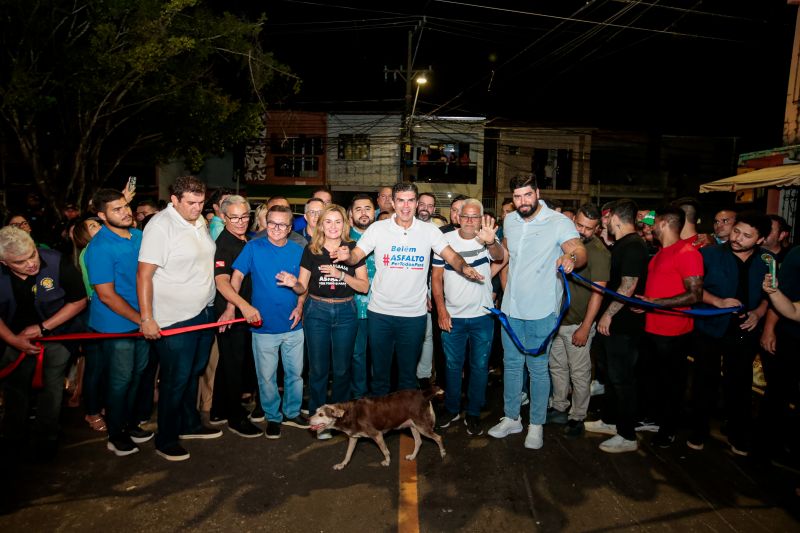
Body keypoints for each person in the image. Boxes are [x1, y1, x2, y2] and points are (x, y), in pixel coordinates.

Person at [336, 183, 485, 397]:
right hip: (380, 314)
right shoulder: (378, 229)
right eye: (401, 200)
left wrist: (464, 267)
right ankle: (382, 426)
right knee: (380, 375)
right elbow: (356, 255)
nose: (406, 206)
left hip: (413, 316)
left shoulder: (429, 230)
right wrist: (346, 257)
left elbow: (450, 255)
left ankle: (405, 424)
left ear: (416, 203)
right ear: (393, 203)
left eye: (410, 200)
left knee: (407, 376)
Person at [488, 175, 587, 450]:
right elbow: (503, 255)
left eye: (527, 195)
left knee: (538, 369)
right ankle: (511, 418)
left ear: (537, 193)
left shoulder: (558, 222)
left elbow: (578, 250)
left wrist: (571, 258)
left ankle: (536, 424)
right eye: (518, 197)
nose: (523, 202)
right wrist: (491, 244)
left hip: (542, 310)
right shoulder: (510, 220)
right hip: (511, 309)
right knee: (511, 365)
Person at [137, 176, 220, 462]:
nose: (197, 208)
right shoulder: (160, 226)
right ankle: (166, 437)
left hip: (203, 312)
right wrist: (147, 318)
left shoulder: (199, 221)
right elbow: (144, 275)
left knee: (194, 370)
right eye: (191, 203)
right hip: (175, 319)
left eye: (201, 202)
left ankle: (190, 424)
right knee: (175, 378)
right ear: (174, 199)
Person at [0, 226, 87, 459]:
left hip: (57, 335)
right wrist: (13, 340)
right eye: (20, 261)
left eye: (32, 254)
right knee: (14, 389)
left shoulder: (56, 261)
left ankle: (46, 439)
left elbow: (78, 301)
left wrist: (43, 327)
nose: (31, 264)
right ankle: (12, 436)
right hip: (13, 337)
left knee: (52, 388)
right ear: (4, 262)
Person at [688, 212, 771, 455]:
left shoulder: (768, 261)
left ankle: (737, 435)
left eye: (747, 236)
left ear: (760, 239)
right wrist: (718, 301)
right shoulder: (709, 254)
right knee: (705, 381)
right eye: (736, 231)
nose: (737, 238)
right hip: (710, 327)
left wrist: (758, 312)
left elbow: (771, 296)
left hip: (746, 330)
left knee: (740, 384)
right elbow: (693, 289)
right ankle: (698, 431)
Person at [84, 189, 153, 456]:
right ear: (101, 216)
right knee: (120, 380)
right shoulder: (99, 247)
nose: (125, 212)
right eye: (116, 209)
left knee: (138, 374)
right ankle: (116, 434)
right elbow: (106, 295)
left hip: (142, 319)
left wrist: (146, 317)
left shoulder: (138, 235)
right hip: (116, 325)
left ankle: (130, 423)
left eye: (125, 206)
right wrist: (142, 319)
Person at [230, 205, 308, 439]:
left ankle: (292, 412)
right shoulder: (253, 247)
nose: (276, 228)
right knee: (266, 377)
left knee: (295, 374)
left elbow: (303, 287)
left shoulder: (298, 250)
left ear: (289, 228)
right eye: (272, 223)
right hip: (262, 326)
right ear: (266, 223)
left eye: (282, 225)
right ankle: (273, 417)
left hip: (293, 325)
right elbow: (236, 276)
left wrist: (295, 288)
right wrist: (234, 306)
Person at [432, 199, 505, 436]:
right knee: (453, 366)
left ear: (482, 218)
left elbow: (500, 257)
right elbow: (436, 278)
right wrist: (441, 311)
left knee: (480, 366)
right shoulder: (445, 241)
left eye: (475, 216)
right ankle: (452, 409)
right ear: (458, 217)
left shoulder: (486, 238)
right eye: (466, 216)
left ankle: (473, 412)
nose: (470, 221)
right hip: (453, 317)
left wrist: (490, 241)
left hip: (482, 316)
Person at [298, 205, 368, 439]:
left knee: (342, 369)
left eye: (338, 221)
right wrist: (294, 289)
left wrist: (340, 274)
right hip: (316, 311)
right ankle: (318, 422)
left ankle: (341, 418)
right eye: (328, 221)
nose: (333, 226)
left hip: (346, 312)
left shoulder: (353, 250)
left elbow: (364, 286)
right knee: (318, 370)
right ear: (320, 225)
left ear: (344, 224)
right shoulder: (311, 250)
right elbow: (302, 286)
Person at [639, 206, 703, 449]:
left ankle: (668, 430)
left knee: (672, 384)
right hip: (652, 328)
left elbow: (695, 295)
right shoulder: (659, 254)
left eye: (654, 222)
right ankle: (655, 419)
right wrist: (643, 303)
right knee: (654, 380)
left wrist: (656, 303)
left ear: (664, 223)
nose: (650, 226)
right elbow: (659, 290)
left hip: (674, 332)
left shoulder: (687, 252)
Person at [588, 199, 649, 453]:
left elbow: (629, 285)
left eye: (606, 218)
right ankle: (611, 420)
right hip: (614, 325)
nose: (604, 222)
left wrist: (608, 315)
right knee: (610, 376)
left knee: (622, 379)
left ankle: (627, 435)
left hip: (623, 326)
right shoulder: (622, 244)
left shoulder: (634, 245)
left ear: (615, 217)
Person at [547, 203, 610, 439]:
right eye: (579, 225)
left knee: (579, 373)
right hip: (558, 321)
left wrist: (585, 327)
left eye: (589, 228)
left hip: (578, 324)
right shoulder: (564, 243)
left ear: (597, 229)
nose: (583, 231)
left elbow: (599, 293)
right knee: (557, 368)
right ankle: (560, 407)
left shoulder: (599, 253)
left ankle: (578, 416)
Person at [209, 195, 263, 438]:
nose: (240, 222)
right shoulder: (225, 244)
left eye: (244, 216)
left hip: (243, 313)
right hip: (232, 314)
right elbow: (222, 282)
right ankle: (235, 417)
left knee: (229, 363)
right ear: (223, 217)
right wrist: (240, 307)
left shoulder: (245, 240)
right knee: (235, 367)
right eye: (234, 217)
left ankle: (218, 409)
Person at [758, 245, 800, 464]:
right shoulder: (797, 254)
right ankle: (767, 449)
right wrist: (774, 293)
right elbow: (793, 311)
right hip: (791, 339)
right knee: (778, 393)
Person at [348, 194, 376, 399]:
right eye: (358, 209)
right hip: (352, 307)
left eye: (368, 208)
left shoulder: (384, 235)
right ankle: (359, 396)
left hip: (381, 307)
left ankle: (379, 396)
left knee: (380, 355)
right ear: (351, 214)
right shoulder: (343, 238)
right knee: (357, 354)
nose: (364, 213)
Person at [415, 192, 437, 388]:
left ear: (434, 210)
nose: (425, 208)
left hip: (430, 285)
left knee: (427, 333)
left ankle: (423, 375)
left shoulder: (436, 232)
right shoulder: (407, 228)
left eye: (429, 206)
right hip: (408, 287)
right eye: (422, 204)